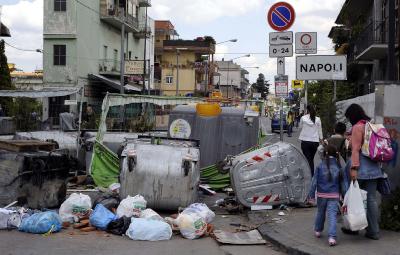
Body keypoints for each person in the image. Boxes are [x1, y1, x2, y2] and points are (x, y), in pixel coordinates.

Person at [343, 103, 383, 240]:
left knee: (355, 199)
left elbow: (355, 150)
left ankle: (353, 227)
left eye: (349, 117)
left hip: (361, 169)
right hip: (374, 168)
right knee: (371, 199)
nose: (348, 120)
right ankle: (374, 231)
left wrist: (354, 168)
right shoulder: (371, 124)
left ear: (352, 116)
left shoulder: (357, 127)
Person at [307, 144, 348, 246]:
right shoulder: (339, 167)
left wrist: (311, 196)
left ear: (325, 154)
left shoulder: (320, 166)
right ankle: (332, 237)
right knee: (332, 215)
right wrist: (345, 196)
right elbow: (343, 184)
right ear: (336, 154)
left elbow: (314, 182)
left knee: (320, 212)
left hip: (321, 195)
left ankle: (318, 230)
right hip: (334, 196)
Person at [299, 105, 323, 176]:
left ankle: (310, 175)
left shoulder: (303, 118)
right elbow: (320, 131)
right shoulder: (318, 119)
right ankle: (310, 174)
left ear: (307, 110)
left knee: (308, 159)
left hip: (305, 142)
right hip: (315, 142)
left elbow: (300, 127)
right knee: (310, 159)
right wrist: (321, 140)